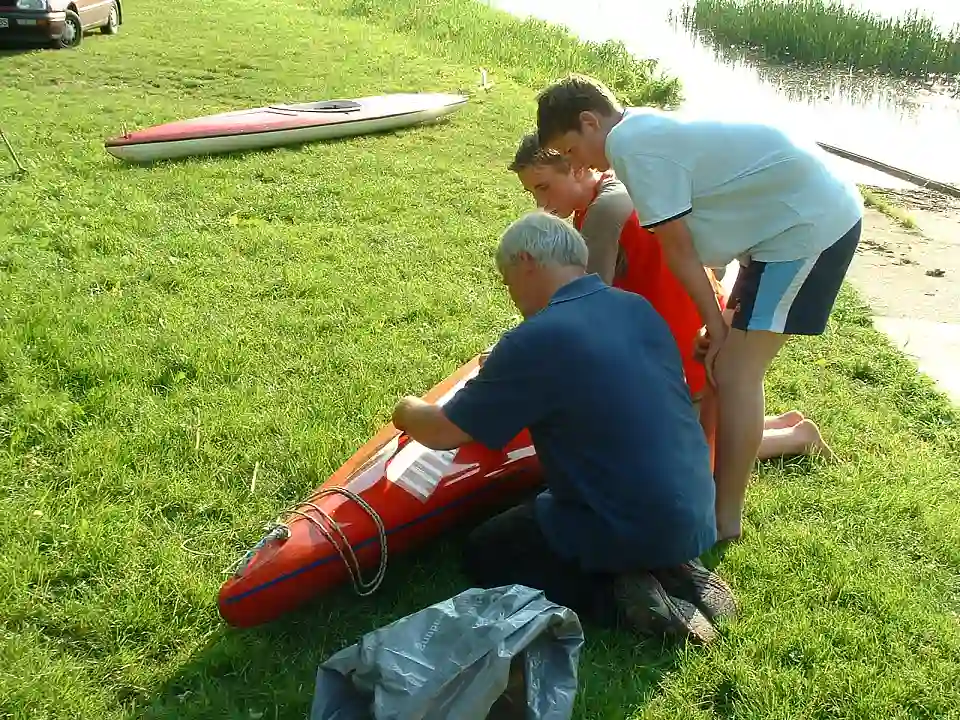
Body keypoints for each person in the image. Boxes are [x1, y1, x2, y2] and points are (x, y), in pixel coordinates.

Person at [534, 75, 861, 541]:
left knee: (735, 373)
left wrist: (716, 322)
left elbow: (680, 253)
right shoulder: (640, 132)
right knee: (720, 363)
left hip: (811, 229)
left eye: (569, 151)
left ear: (589, 122)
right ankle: (761, 453)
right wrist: (718, 323)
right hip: (779, 233)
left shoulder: (631, 148)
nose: (575, 163)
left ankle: (725, 519)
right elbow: (709, 228)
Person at [391, 211, 736, 644]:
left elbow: (444, 432)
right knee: (563, 500)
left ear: (527, 261)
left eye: (507, 279)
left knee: (488, 549)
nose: (510, 292)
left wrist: (406, 409)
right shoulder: (636, 307)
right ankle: (671, 564)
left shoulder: (536, 338)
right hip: (694, 509)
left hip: (631, 518)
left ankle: (614, 592)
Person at [507, 130, 836, 465]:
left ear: (577, 167)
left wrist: (526, 354)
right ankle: (782, 425)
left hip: (683, 348)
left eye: (543, 187)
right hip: (683, 333)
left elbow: (583, 310)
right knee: (681, 430)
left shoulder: (603, 212)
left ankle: (796, 437)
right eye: (533, 191)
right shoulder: (608, 190)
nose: (540, 203)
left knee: (685, 453)